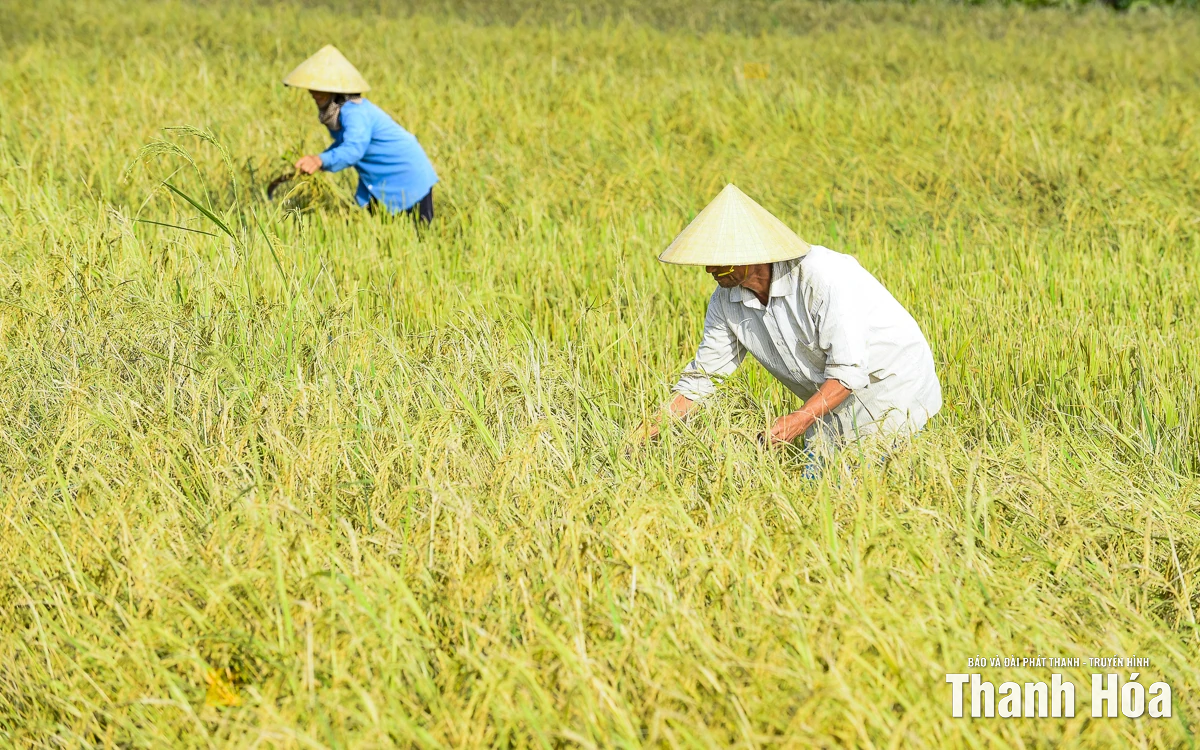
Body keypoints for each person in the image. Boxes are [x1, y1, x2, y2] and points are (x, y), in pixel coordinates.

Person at [636, 184, 942, 465]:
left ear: (751, 255)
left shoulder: (823, 277)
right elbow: (702, 379)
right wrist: (643, 434)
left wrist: (798, 420)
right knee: (816, 486)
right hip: (829, 401)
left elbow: (848, 372)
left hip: (892, 389)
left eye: (719, 261)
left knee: (862, 486)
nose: (709, 270)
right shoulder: (725, 301)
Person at [283, 45, 438, 223]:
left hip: (407, 175)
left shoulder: (355, 112)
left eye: (319, 88)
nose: (313, 93)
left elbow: (353, 150)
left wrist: (320, 160)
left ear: (336, 91)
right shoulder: (340, 112)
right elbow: (345, 143)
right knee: (370, 225)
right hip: (381, 179)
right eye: (312, 88)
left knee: (420, 230)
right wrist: (318, 161)